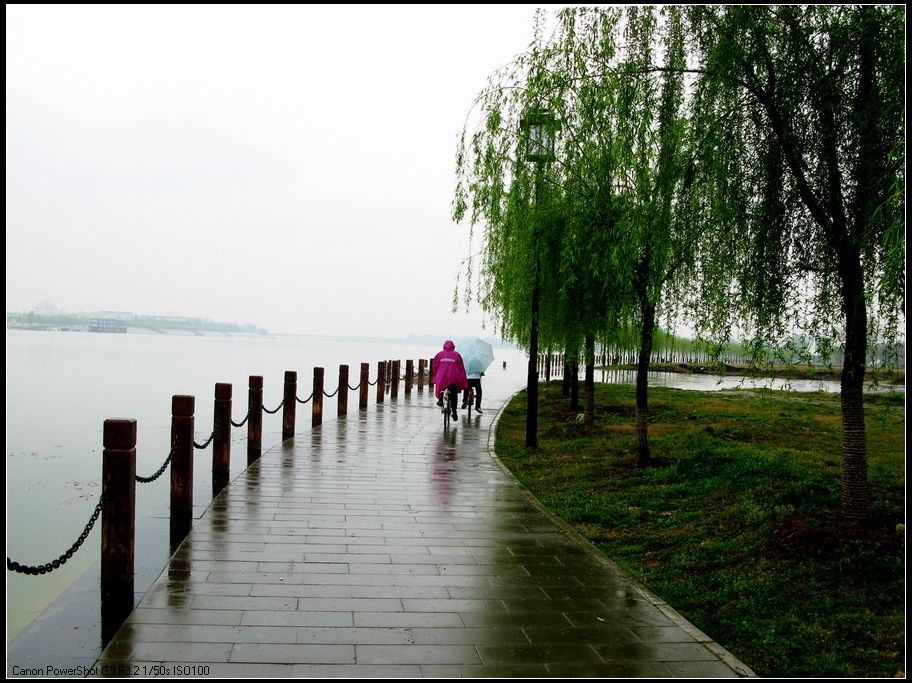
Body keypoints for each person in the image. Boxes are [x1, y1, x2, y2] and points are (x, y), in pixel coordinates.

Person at [432, 340, 468, 421]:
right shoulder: (457, 355)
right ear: (453, 346)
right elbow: (461, 368)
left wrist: (436, 375)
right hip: (453, 378)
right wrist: (462, 379)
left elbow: (435, 365)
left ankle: (441, 400)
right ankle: (454, 412)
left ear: (444, 346)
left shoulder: (440, 354)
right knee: (454, 394)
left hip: (442, 377)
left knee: (441, 387)